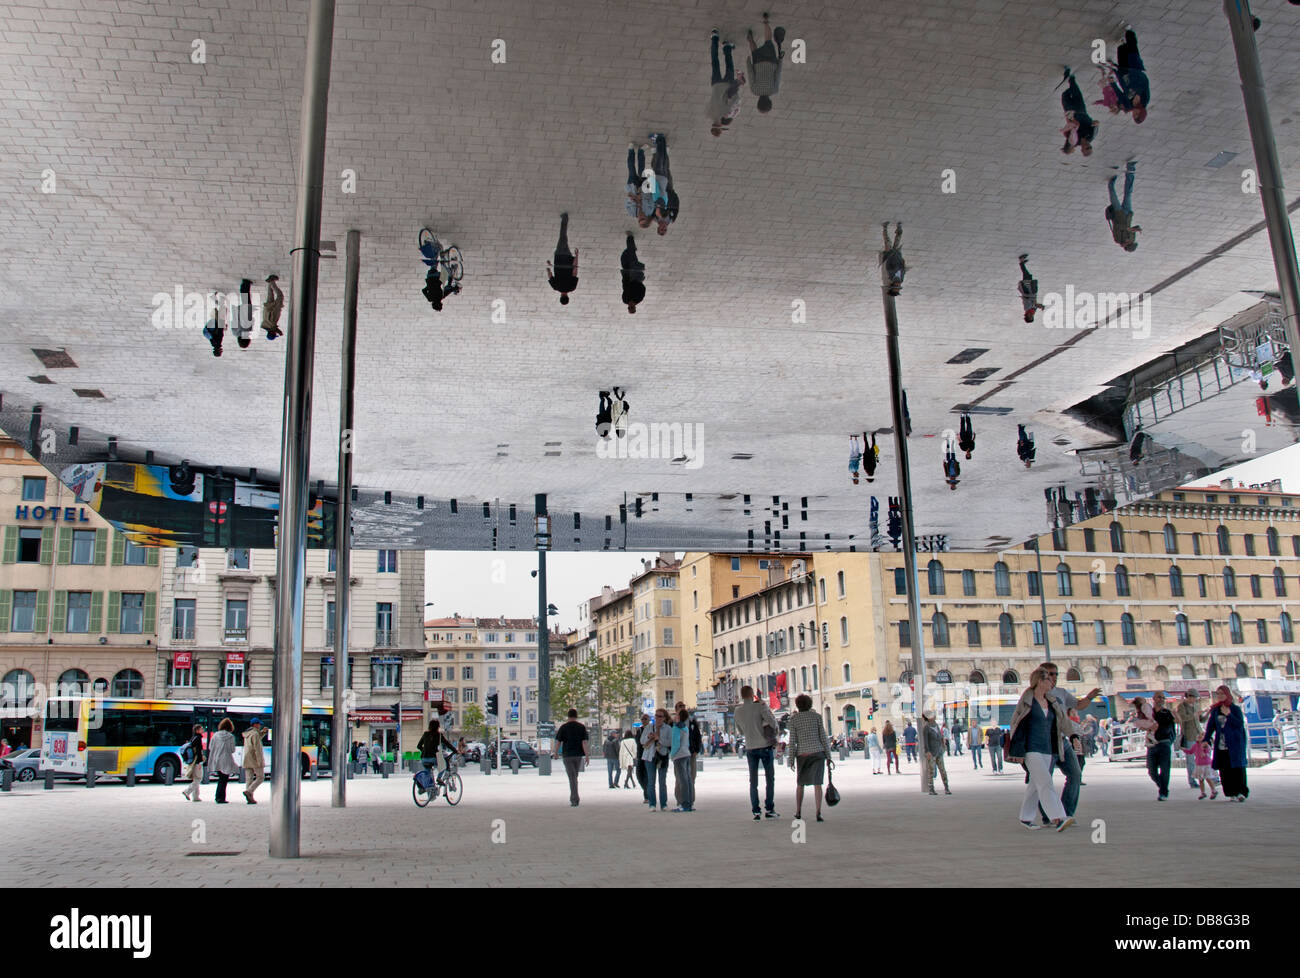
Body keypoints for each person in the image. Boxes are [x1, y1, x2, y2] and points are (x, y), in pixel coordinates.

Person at [1007, 667, 1075, 831]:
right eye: (1048, 679)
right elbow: (1015, 724)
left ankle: (1026, 817)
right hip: (1031, 749)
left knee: (1035, 784)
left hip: (1048, 748)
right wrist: (1018, 751)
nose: (1052, 682)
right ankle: (1058, 817)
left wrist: (1073, 736)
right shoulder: (1026, 701)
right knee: (1045, 781)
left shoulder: (1053, 702)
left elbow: (1064, 721)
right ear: (1039, 681)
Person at [1039, 662, 1098, 820]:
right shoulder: (1036, 694)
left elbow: (1078, 705)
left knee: (1075, 774)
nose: (1053, 677)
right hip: (1045, 742)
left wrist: (1090, 696)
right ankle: (1049, 815)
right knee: (1045, 780)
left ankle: (1066, 813)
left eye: (1056, 674)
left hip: (1062, 740)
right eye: (1050, 674)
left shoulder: (1062, 693)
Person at [733, 685, 779, 820]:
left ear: (742, 695)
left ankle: (756, 810)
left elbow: (740, 731)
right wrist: (775, 729)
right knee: (769, 778)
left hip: (750, 747)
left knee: (753, 781)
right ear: (752, 694)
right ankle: (769, 808)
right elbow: (771, 721)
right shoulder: (759, 706)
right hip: (764, 745)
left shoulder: (737, 711)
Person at [787, 694, 832, 822]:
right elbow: (823, 737)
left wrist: (791, 760)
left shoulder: (794, 720)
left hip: (802, 755)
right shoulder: (817, 717)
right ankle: (818, 812)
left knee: (800, 784)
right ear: (810, 704)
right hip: (818, 753)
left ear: (797, 705)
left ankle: (798, 811)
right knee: (817, 784)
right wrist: (828, 756)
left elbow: (793, 741)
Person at [1202, 685, 1248, 802]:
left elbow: (1239, 724)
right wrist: (1206, 740)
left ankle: (1241, 792)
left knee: (1237, 769)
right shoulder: (1216, 710)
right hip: (1221, 745)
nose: (1220, 696)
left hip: (1235, 744)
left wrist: (1229, 715)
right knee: (1225, 770)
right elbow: (1211, 726)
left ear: (1227, 694)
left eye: (1222, 693)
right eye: (1218, 694)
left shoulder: (1235, 709)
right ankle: (1230, 792)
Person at [745, 12, 785, 113]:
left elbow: (778, 73)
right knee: (754, 51)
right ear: (758, 102)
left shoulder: (774, 90)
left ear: (769, 101)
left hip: (771, 62)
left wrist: (780, 60)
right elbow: (751, 74)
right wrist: (748, 62)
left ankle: (766, 23)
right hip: (757, 63)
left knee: (768, 41)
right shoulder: (754, 91)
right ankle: (750, 39)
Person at [707, 29, 745, 136]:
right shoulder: (710, 114)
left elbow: (734, 99)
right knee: (715, 62)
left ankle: (727, 47)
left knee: (729, 67)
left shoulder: (726, 114)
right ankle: (714, 38)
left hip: (726, 86)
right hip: (715, 85)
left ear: (720, 127)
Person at [1108, 27, 1149, 123]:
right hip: (1136, 72)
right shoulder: (1144, 99)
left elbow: (1120, 95)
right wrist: (1138, 93)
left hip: (1124, 75)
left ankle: (1123, 43)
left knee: (1121, 53)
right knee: (1132, 51)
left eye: (1134, 115)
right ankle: (1129, 31)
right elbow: (1145, 84)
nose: (1134, 113)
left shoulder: (1129, 105)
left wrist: (1113, 84)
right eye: (1137, 113)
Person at [553, 709, 589, 807]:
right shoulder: (581, 727)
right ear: (576, 716)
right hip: (578, 755)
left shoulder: (563, 727)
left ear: (568, 716)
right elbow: (584, 742)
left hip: (567, 755)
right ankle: (574, 798)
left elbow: (558, 742)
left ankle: (574, 799)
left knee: (572, 777)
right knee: (574, 776)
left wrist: (555, 753)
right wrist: (587, 755)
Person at [1059, 68, 1097, 155]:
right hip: (1081, 112)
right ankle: (1071, 79)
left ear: (1082, 149)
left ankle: (1070, 84)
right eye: (1090, 147)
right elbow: (1096, 126)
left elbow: (1067, 136)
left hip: (1071, 115)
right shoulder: (1091, 136)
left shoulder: (1075, 141)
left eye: (1087, 148)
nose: (1089, 145)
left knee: (1065, 96)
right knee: (1077, 94)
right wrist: (1096, 123)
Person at [1106, 160, 1141, 252]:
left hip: (1118, 214)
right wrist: (1137, 228)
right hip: (1127, 213)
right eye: (1131, 242)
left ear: (1125, 245)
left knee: (1113, 196)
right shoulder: (1132, 238)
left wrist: (1127, 229)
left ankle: (1111, 181)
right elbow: (1133, 228)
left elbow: (1117, 227)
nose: (1130, 241)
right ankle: (1130, 169)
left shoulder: (1118, 239)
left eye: (1129, 243)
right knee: (1128, 193)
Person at [640, 710, 670, 811]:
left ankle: (663, 804)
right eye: (656, 716)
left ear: (664, 718)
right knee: (651, 782)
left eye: (660, 716)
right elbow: (641, 741)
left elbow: (669, 742)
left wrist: (659, 738)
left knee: (662, 781)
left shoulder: (668, 728)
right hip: (650, 756)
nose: (657, 718)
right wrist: (648, 736)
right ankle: (652, 804)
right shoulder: (649, 727)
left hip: (662, 756)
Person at [546, 212, 579, 304]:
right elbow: (550, 275)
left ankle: (564, 220)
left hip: (568, 258)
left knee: (563, 239)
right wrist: (549, 267)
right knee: (562, 238)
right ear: (560, 297)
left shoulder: (572, 287)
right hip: (559, 258)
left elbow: (575, 271)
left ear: (567, 297)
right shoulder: (556, 287)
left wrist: (576, 256)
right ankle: (565, 219)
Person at [1176, 689, 1204, 790]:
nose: (1194, 700)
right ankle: (1192, 781)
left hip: (1199, 734)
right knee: (1191, 759)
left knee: (1203, 756)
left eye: (1196, 698)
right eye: (1193, 697)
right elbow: (1183, 718)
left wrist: (1206, 714)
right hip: (1189, 735)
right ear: (1188, 697)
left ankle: (1207, 777)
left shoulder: (1196, 706)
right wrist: (1194, 715)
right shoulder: (1182, 706)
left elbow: (1200, 719)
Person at [207, 718, 239, 804]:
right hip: (226, 759)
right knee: (224, 779)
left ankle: (218, 797)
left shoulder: (215, 735)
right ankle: (221, 798)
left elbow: (210, 747)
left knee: (221, 778)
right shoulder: (231, 737)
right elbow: (232, 750)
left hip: (216, 759)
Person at [648, 133, 674, 235]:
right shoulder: (670, 217)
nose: (664, 227)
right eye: (665, 229)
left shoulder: (655, 216)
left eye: (661, 229)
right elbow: (657, 190)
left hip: (661, 180)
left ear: (658, 228)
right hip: (662, 180)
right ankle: (660, 140)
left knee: (661, 160)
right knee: (661, 160)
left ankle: (661, 142)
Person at [417, 718, 456, 787]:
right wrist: (455, 750)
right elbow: (447, 744)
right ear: (438, 727)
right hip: (433, 758)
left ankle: (429, 790)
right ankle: (439, 778)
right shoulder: (439, 735)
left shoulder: (425, 734)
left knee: (428, 774)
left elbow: (419, 746)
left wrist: (425, 751)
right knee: (444, 765)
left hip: (423, 759)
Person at [670, 709, 695, 812]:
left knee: (682, 780)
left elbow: (676, 743)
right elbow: (686, 742)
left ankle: (684, 804)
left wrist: (672, 754)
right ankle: (689, 802)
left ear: (679, 717)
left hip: (679, 755)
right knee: (688, 779)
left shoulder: (676, 728)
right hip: (686, 754)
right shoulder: (686, 727)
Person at [624, 144, 655, 226]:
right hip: (643, 188)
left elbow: (627, 204)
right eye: (643, 219)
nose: (640, 217)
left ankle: (631, 150)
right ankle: (641, 151)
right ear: (647, 218)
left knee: (631, 169)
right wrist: (641, 196)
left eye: (639, 220)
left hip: (632, 188)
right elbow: (651, 198)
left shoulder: (632, 213)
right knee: (641, 170)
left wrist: (631, 199)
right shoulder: (650, 210)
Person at [921, 711, 949, 795]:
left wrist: (943, 744)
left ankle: (946, 787)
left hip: (939, 750)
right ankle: (931, 788)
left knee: (942, 770)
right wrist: (927, 751)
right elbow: (925, 741)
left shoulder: (936, 725)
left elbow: (940, 735)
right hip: (931, 752)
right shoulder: (926, 727)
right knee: (931, 771)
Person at [241, 719, 266, 803]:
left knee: (249, 779)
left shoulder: (247, 733)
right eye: (259, 724)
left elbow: (257, 739)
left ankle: (250, 798)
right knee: (260, 777)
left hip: (247, 758)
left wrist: (263, 733)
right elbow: (257, 748)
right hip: (255, 759)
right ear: (255, 725)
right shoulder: (255, 734)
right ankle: (249, 791)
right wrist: (260, 761)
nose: (260, 726)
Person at [1017, 254, 1046, 323]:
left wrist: (1039, 306)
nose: (1031, 316)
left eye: (1029, 317)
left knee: (1026, 276)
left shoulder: (1027, 308)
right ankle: (1022, 263)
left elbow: (1032, 302)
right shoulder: (1032, 311)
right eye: (1032, 317)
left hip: (1028, 290)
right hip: (1032, 291)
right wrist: (1039, 305)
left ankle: (1021, 261)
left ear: (1026, 316)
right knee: (1028, 276)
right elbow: (1035, 304)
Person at [180, 724, 206, 802]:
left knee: (195, 778)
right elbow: (198, 752)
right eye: (201, 729)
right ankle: (187, 791)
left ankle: (196, 797)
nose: (203, 730)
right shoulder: (198, 738)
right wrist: (200, 762)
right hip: (196, 761)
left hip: (192, 761)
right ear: (197, 730)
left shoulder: (193, 738)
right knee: (198, 778)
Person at [620, 234, 646, 313]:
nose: (630, 306)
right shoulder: (639, 298)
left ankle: (631, 248)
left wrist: (625, 278)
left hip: (627, 276)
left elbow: (624, 288)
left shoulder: (625, 300)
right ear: (635, 307)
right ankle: (630, 238)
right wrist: (635, 283)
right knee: (632, 258)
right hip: (636, 277)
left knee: (624, 258)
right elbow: (642, 288)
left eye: (629, 307)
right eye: (632, 307)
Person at [880, 221, 905, 295]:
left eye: (896, 286)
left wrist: (889, 253)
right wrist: (903, 262)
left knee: (887, 241)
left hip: (891, 253)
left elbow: (888, 263)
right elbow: (903, 270)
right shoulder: (902, 279)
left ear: (893, 285)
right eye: (899, 286)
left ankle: (885, 228)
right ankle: (899, 228)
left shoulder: (890, 275)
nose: (898, 285)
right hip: (898, 255)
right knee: (898, 239)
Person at [261, 274, 284, 339]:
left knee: (280, 295)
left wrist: (279, 305)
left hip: (272, 307)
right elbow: (273, 328)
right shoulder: (265, 325)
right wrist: (279, 331)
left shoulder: (272, 323)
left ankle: (272, 281)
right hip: (267, 307)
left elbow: (276, 311)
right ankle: (269, 282)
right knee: (270, 294)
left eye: (275, 334)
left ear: (273, 333)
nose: (276, 333)